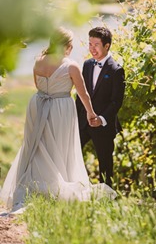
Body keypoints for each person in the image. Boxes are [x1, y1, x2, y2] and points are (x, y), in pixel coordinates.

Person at [0, 27, 116, 215]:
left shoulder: (38, 61)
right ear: (68, 47)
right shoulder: (71, 66)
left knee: (37, 145)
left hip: (37, 104)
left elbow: (38, 86)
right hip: (60, 108)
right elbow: (83, 94)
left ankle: (33, 185)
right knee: (59, 147)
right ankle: (54, 186)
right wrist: (91, 113)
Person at [76, 26, 125, 187]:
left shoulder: (116, 70)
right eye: (90, 44)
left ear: (107, 46)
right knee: (72, 155)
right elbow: (81, 94)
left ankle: (106, 198)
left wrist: (101, 119)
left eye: (96, 44)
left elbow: (116, 101)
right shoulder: (87, 65)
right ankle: (73, 190)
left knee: (105, 164)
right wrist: (76, 120)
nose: (92, 48)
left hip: (104, 125)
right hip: (83, 123)